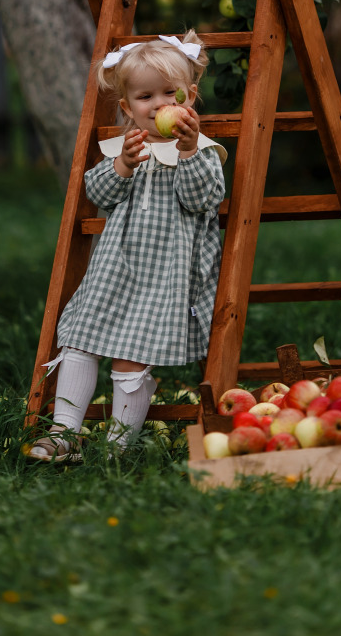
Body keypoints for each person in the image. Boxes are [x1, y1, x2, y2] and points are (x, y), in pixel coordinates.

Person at [29, 31, 227, 461]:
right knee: (80, 339)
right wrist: (121, 165)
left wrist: (189, 150)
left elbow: (203, 200)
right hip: (116, 268)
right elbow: (99, 192)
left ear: (189, 97)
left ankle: (117, 448)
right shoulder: (128, 147)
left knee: (132, 357)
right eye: (144, 97)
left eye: (169, 94)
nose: (158, 105)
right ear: (127, 107)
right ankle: (64, 434)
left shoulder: (204, 152)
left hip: (166, 276)